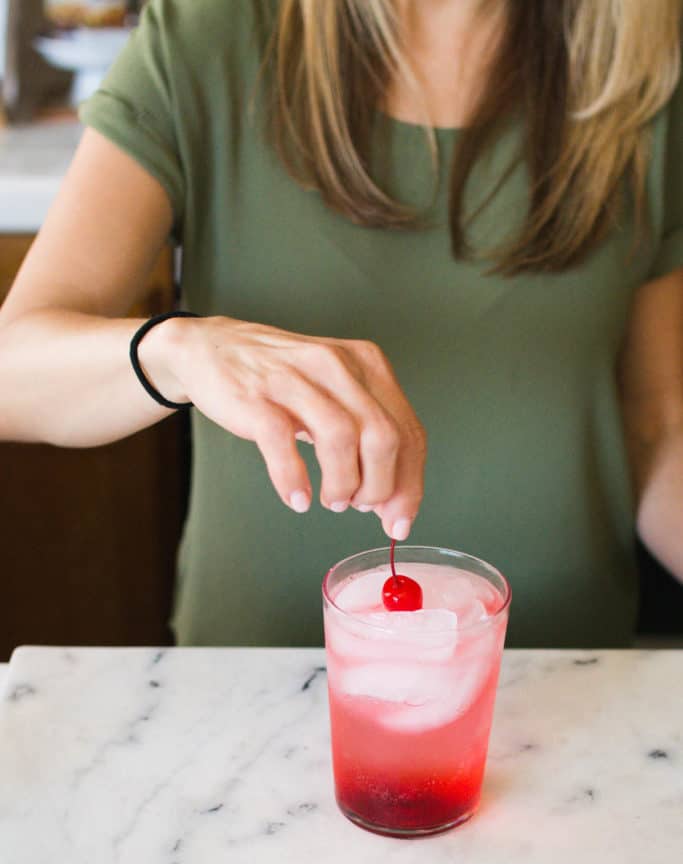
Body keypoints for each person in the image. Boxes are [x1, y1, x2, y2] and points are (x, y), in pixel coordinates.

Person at [0, 0, 681, 648]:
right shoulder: (206, 38)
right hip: (251, 682)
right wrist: (180, 352)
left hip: (571, 677)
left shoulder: (647, 75)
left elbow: (657, 420)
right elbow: (13, 372)